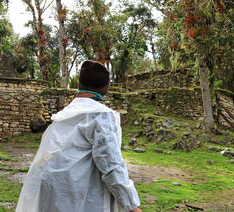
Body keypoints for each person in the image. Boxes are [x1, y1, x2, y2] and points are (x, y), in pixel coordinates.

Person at [16, 60, 141, 212]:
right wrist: (132, 206)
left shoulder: (62, 117)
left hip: (51, 191)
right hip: (80, 197)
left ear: (79, 85)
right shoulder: (100, 116)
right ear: (107, 87)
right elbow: (111, 165)